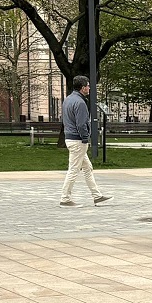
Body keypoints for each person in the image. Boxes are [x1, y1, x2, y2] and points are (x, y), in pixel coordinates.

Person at [59, 76, 112, 208]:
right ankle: (65, 199)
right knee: (73, 170)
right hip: (77, 141)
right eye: (88, 85)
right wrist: (85, 138)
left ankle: (97, 196)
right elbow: (82, 124)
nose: (89, 88)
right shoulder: (81, 103)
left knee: (88, 168)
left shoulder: (68, 100)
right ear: (83, 88)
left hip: (70, 138)